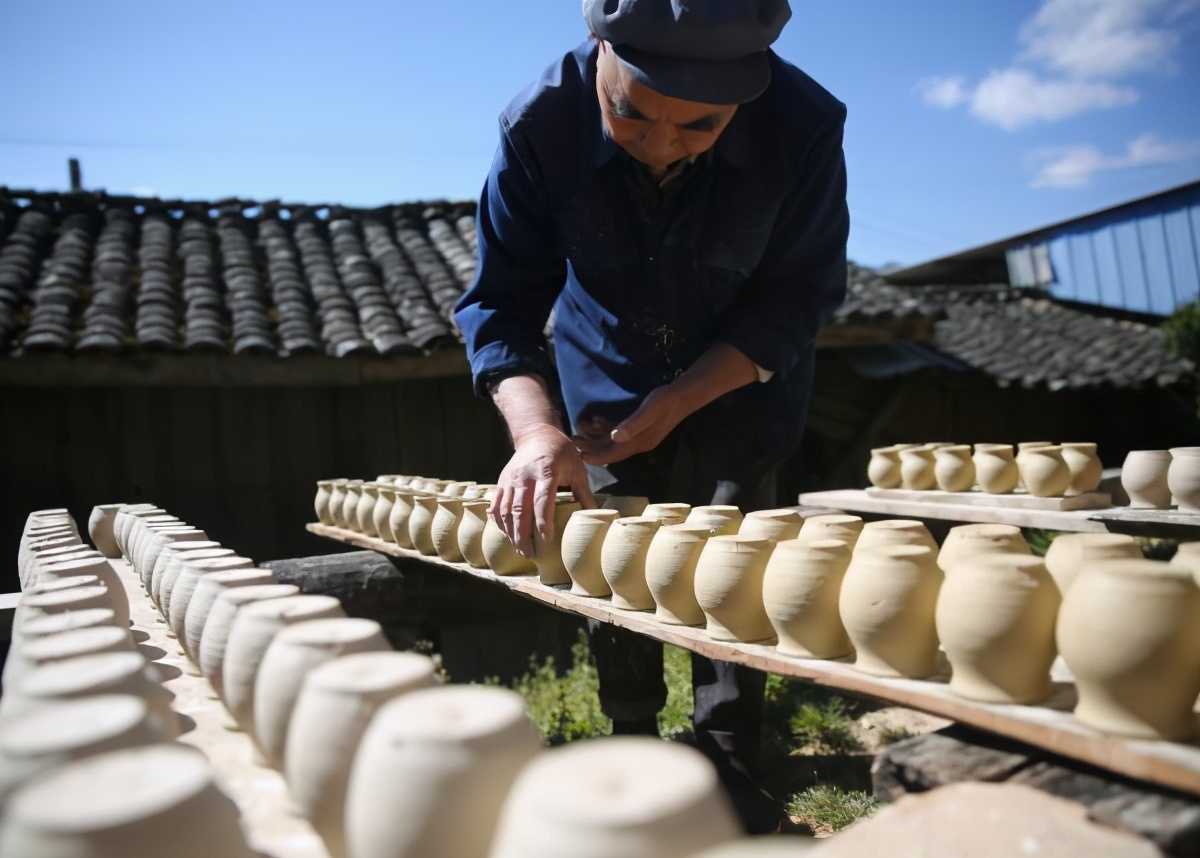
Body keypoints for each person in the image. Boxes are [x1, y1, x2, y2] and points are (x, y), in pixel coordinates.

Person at [454, 0, 848, 833]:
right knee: (614, 552)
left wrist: (683, 397)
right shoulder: (541, 125)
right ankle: (629, 736)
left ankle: (733, 751)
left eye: (699, 127)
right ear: (600, 50)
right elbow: (500, 304)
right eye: (630, 113)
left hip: (744, 376)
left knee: (736, 557)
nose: (660, 142)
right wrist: (536, 433)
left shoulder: (805, 125)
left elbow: (798, 293)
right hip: (604, 377)